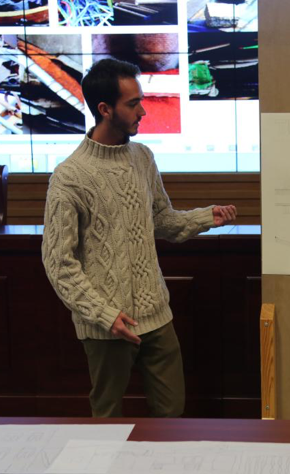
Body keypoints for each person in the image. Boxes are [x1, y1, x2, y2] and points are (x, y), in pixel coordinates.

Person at [42, 58, 237, 418]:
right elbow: (58, 263)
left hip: (156, 315)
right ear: (105, 109)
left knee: (171, 415)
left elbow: (160, 221)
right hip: (107, 325)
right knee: (107, 418)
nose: (143, 112)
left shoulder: (142, 157)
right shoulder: (69, 177)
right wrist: (103, 314)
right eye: (133, 104)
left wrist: (204, 217)